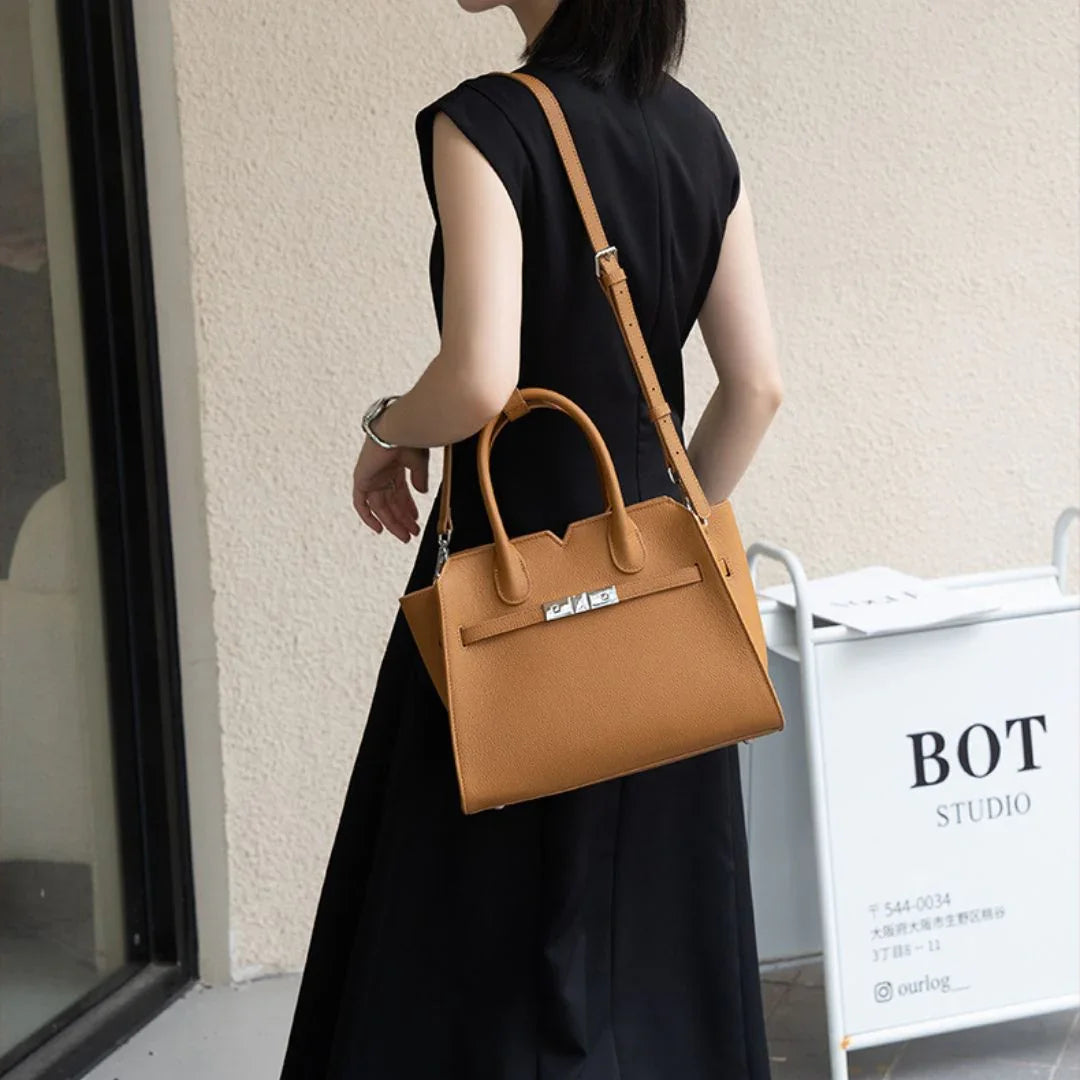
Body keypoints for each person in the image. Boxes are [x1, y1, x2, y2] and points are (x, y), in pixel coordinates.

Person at [279, 0, 784, 1076]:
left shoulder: (488, 122)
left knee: (472, 929)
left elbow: (477, 378)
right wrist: (666, 533)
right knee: (651, 935)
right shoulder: (696, 129)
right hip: (659, 611)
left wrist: (383, 430)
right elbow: (756, 387)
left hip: (512, 592)